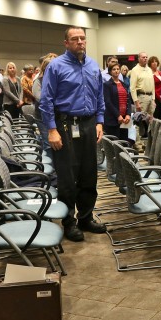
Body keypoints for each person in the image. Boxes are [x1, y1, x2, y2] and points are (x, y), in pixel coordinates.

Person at [40, 26, 106, 242]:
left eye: (83, 38)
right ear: (66, 43)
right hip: (65, 126)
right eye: (75, 39)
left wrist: (99, 122)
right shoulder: (56, 66)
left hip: (88, 125)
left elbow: (99, 97)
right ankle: (69, 222)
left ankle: (86, 218)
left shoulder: (93, 65)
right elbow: (46, 100)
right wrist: (51, 129)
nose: (80, 42)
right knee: (67, 177)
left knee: (89, 174)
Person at [103, 62, 132, 142]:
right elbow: (108, 102)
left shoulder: (124, 84)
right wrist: (118, 115)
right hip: (113, 119)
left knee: (124, 143)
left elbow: (128, 101)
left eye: (118, 69)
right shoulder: (107, 85)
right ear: (110, 72)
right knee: (114, 144)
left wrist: (128, 115)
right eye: (114, 69)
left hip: (124, 120)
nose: (116, 71)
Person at [32, 55, 56, 155]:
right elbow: (41, 99)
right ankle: (51, 167)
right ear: (45, 68)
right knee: (48, 143)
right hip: (42, 117)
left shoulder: (56, 80)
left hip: (54, 116)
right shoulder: (38, 81)